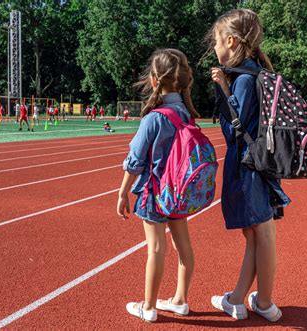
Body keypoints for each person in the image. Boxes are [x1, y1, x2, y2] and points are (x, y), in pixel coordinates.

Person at [205, 9, 291, 322]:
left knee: (262, 234)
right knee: (256, 234)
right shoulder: (259, 72)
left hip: (247, 165)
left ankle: (265, 302)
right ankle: (238, 299)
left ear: (230, 41)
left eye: (216, 41)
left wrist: (223, 90)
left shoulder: (242, 79)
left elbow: (234, 132)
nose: (214, 47)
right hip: (264, 163)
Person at [117, 48, 200, 323]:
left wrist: (122, 192)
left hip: (155, 192)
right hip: (180, 191)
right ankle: (180, 300)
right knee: (183, 246)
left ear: (154, 80)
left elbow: (135, 160)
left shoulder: (154, 117)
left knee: (155, 248)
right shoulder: (187, 115)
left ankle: (148, 306)